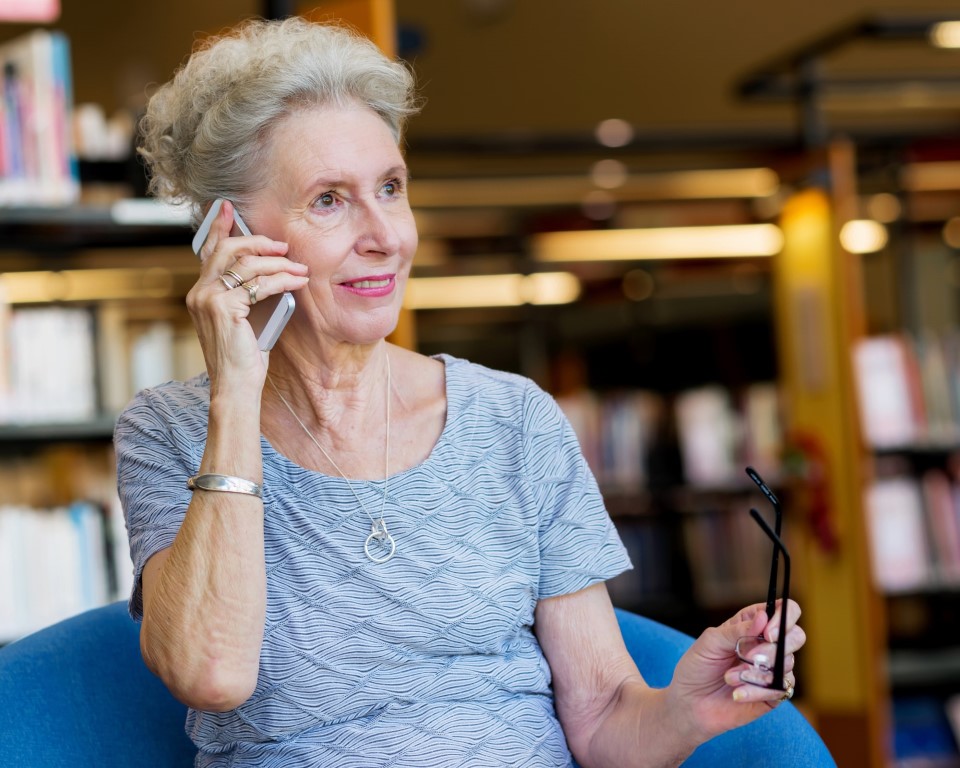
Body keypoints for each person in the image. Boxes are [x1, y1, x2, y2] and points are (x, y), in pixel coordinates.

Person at [116, 16, 810, 768]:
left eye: (390, 187)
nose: (385, 234)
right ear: (231, 234)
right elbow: (209, 674)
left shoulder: (513, 420)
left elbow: (606, 717)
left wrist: (685, 707)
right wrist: (236, 393)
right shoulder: (170, 432)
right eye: (329, 200)